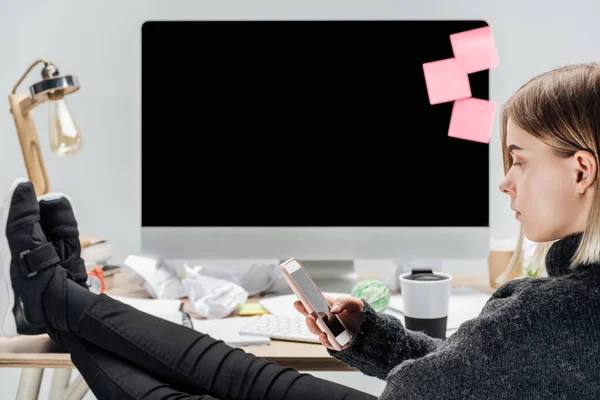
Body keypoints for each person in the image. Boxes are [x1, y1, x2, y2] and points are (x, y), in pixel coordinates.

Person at [2, 62, 600, 400]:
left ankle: (58, 299)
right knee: (234, 374)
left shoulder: (552, 313)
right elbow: (475, 376)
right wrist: (371, 340)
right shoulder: (569, 306)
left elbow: (428, 389)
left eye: (518, 159)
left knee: (219, 382)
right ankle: (61, 299)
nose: (506, 183)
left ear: (581, 169)